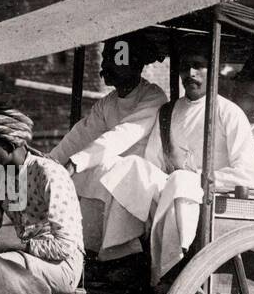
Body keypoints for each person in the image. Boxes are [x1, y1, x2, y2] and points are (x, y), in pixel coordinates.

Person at [99, 44, 254, 283]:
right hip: (171, 192)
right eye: (185, 67)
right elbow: (151, 164)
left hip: (211, 200)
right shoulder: (168, 112)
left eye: (198, 66)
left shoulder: (228, 112)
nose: (190, 74)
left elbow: (249, 174)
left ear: (213, 69)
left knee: (182, 179)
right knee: (129, 165)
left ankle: (174, 263)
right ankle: (123, 255)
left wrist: (200, 175)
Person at [49, 35, 167, 252]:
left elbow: (122, 134)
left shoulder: (152, 96)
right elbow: (80, 135)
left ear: (136, 64)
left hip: (146, 179)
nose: (105, 65)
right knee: (83, 174)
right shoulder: (107, 103)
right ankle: (85, 250)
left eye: (114, 59)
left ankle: (122, 253)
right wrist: (50, 163)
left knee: (114, 169)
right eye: (105, 58)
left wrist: (78, 161)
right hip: (115, 171)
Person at [0, 103, 84, 294]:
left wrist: (7, 246)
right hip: (23, 259)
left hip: (62, 268)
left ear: (10, 143)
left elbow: (64, 247)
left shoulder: (49, 173)